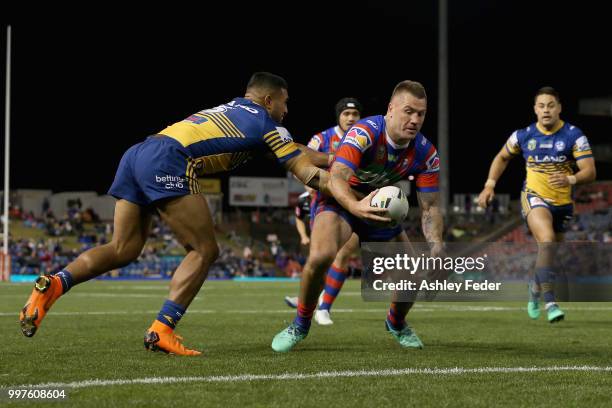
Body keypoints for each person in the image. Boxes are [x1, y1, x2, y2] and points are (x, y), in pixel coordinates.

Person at [19, 72, 330, 356]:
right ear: (268, 100)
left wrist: (336, 158)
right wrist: (352, 187)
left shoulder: (233, 110)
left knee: (122, 248)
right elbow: (305, 172)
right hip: (170, 159)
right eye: (285, 103)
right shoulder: (266, 124)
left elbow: (298, 149)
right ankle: (161, 330)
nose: (286, 110)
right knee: (205, 249)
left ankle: (55, 284)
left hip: (139, 152)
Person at [272, 80, 444, 352]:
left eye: (420, 114)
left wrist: (435, 244)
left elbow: (431, 206)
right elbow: (338, 177)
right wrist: (355, 207)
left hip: (379, 206)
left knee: (413, 272)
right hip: (340, 198)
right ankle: (300, 324)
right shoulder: (365, 131)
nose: (414, 120)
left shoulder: (427, 153)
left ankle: (396, 322)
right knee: (321, 256)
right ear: (391, 109)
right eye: (408, 111)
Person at [477, 86, 596, 323]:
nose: (546, 110)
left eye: (551, 105)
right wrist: (490, 184)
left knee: (549, 252)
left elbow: (590, 171)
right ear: (535, 110)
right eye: (541, 106)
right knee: (547, 241)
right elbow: (502, 156)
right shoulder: (523, 135)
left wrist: (570, 178)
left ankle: (534, 287)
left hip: (563, 203)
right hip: (533, 196)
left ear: (559, 108)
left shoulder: (574, 135)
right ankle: (550, 301)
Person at [284, 98, 363, 325]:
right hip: (326, 202)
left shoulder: (366, 138)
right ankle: (311, 300)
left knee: (344, 253)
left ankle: (324, 307)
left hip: (353, 202)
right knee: (320, 258)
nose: (351, 118)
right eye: (346, 114)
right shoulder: (322, 138)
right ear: (338, 116)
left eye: (355, 114)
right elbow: (299, 159)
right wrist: (309, 183)